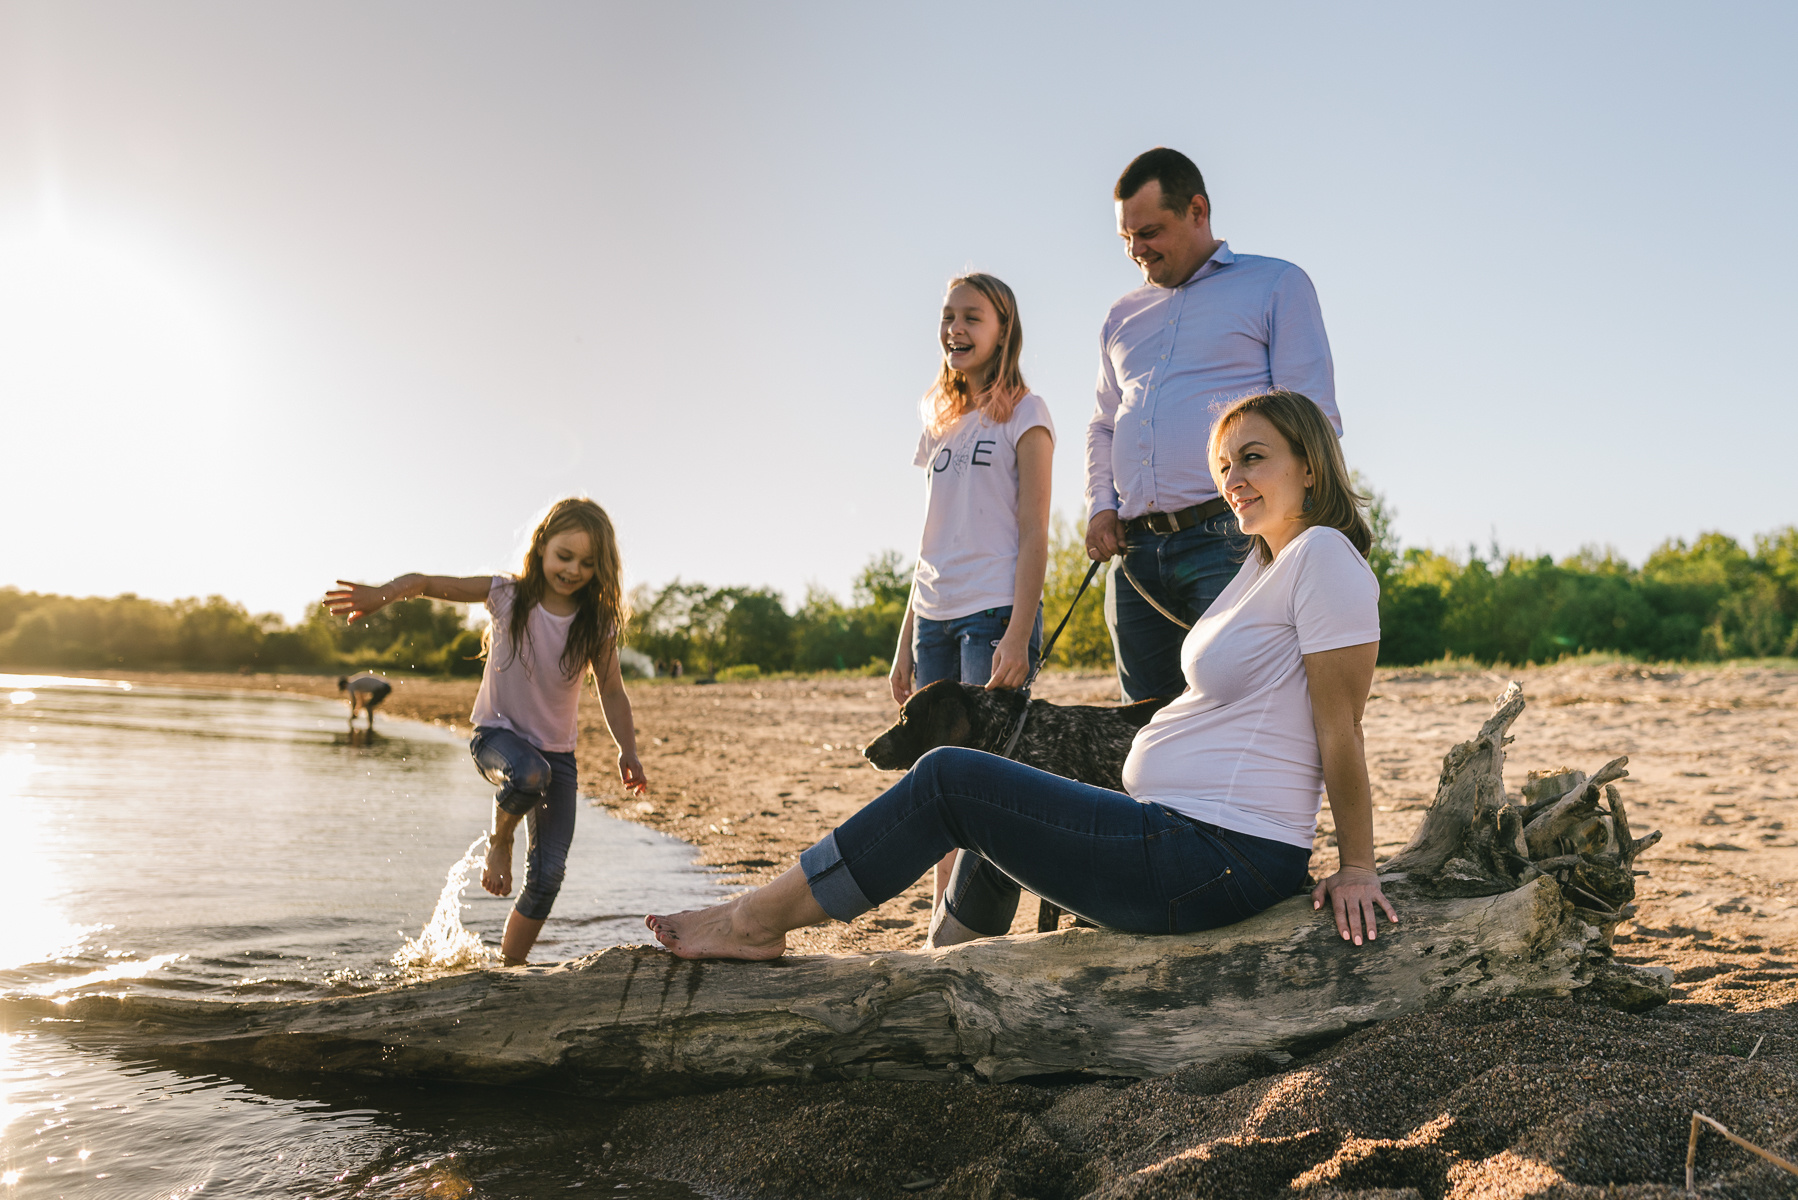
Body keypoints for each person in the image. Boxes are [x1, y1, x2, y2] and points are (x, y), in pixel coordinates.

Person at [649, 390, 1394, 958]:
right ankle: (948, 973)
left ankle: (754, 922)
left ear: (1309, 460)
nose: (1233, 478)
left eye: (1254, 457)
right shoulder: (1265, 564)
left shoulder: (1323, 556)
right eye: (1224, 464)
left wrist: (1357, 866)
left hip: (1210, 858)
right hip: (1182, 842)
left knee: (950, 778)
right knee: (1002, 813)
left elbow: (1341, 727)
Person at [325, 497, 648, 966]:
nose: (574, 569)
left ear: (602, 567)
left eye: (588, 563)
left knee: (549, 874)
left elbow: (613, 691)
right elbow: (427, 583)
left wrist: (628, 749)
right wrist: (382, 595)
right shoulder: (507, 595)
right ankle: (501, 841)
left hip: (558, 756)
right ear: (541, 548)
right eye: (565, 556)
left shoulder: (594, 622)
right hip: (496, 739)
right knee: (529, 774)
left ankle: (509, 969)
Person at [1086, 147, 1341, 704]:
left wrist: (1296, 536)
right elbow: (1105, 425)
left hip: (1231, 542)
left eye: (1150, 231)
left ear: (1197, 210)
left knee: (1239, 708)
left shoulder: (1276, 285)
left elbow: (1313, 418)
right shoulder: (1119, 318)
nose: (1137, 250)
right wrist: (1100, 506)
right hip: (1135, 557)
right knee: (1143, 730)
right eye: (1127, 238)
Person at [886, 272, 1054, 917]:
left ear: (1003, 328)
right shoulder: (938, 420)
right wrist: (904, 645)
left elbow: (1036, 532)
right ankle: (941, 920)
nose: (955, 329)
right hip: (933, 617)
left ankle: (981, 920)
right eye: (948, 317)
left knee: (990, 775)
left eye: (971, 317)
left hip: (992, 613)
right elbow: (928, 542)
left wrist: (1018, 630)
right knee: (935, 777)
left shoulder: (1028, 412)